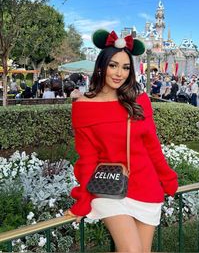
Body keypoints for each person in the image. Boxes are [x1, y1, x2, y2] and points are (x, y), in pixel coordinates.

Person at [65, 29, 178, 252]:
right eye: (113, 65)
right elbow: (87, 158)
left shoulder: (139, 100)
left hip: (146, 186)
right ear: (101, 66)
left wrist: (168, 179)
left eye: (125, 67)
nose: (119, 73)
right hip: (109, 188)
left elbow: (152, 146)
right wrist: (83, 200)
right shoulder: (82, 107)